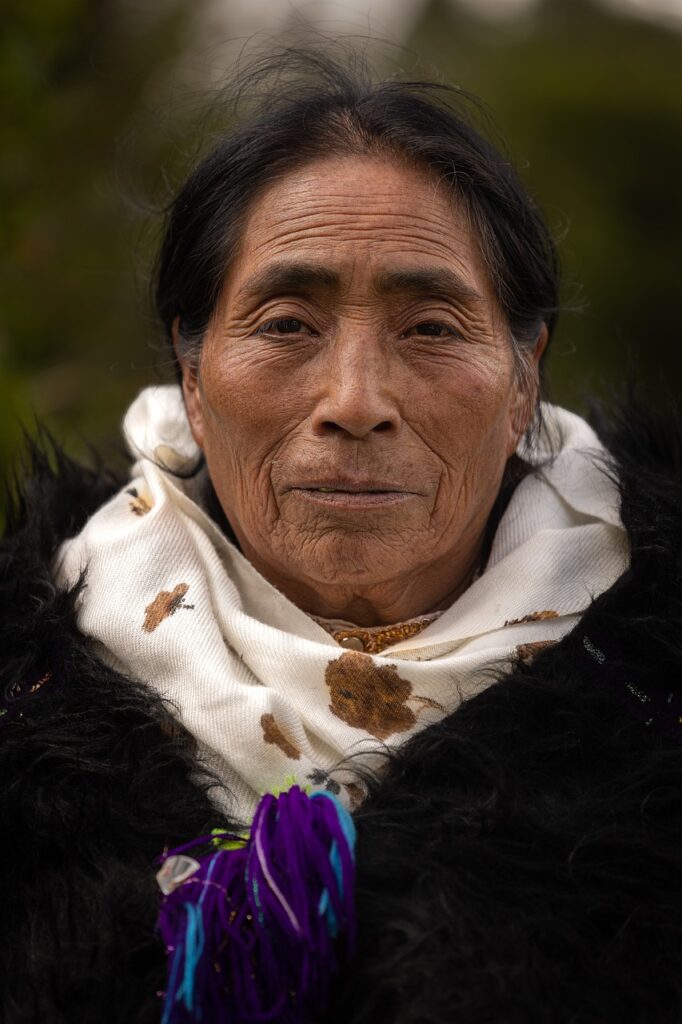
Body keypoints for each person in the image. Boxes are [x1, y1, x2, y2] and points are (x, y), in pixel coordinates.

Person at [2, 49, 681, 1024]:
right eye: (286, 324)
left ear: (524, 377)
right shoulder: (26, 712)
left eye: (431, 328)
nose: (355, 401)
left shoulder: (654, 701)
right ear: (192, 375)